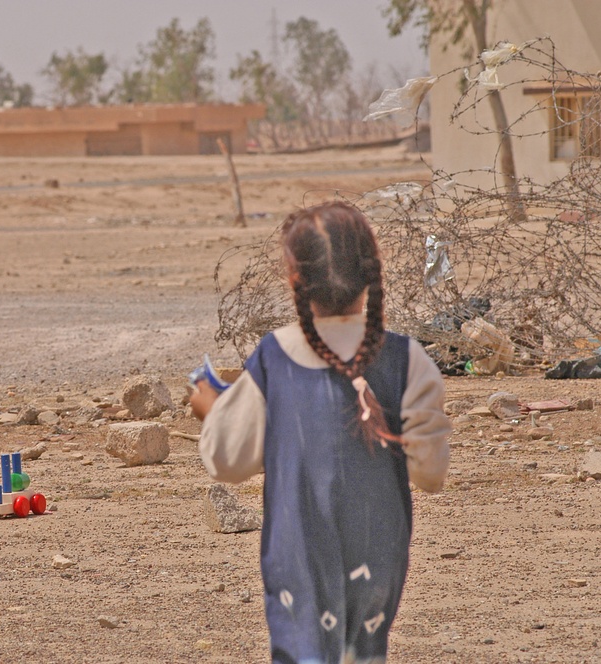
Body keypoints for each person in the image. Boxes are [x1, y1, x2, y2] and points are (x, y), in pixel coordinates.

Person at [190, 202, 450, 663]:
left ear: (294, 279)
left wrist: (212, 409)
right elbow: (430, 472)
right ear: (372, 271)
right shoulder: (409, 360)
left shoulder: (275, 358)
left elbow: (227, 462)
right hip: (379, 565)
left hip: (299, 567)